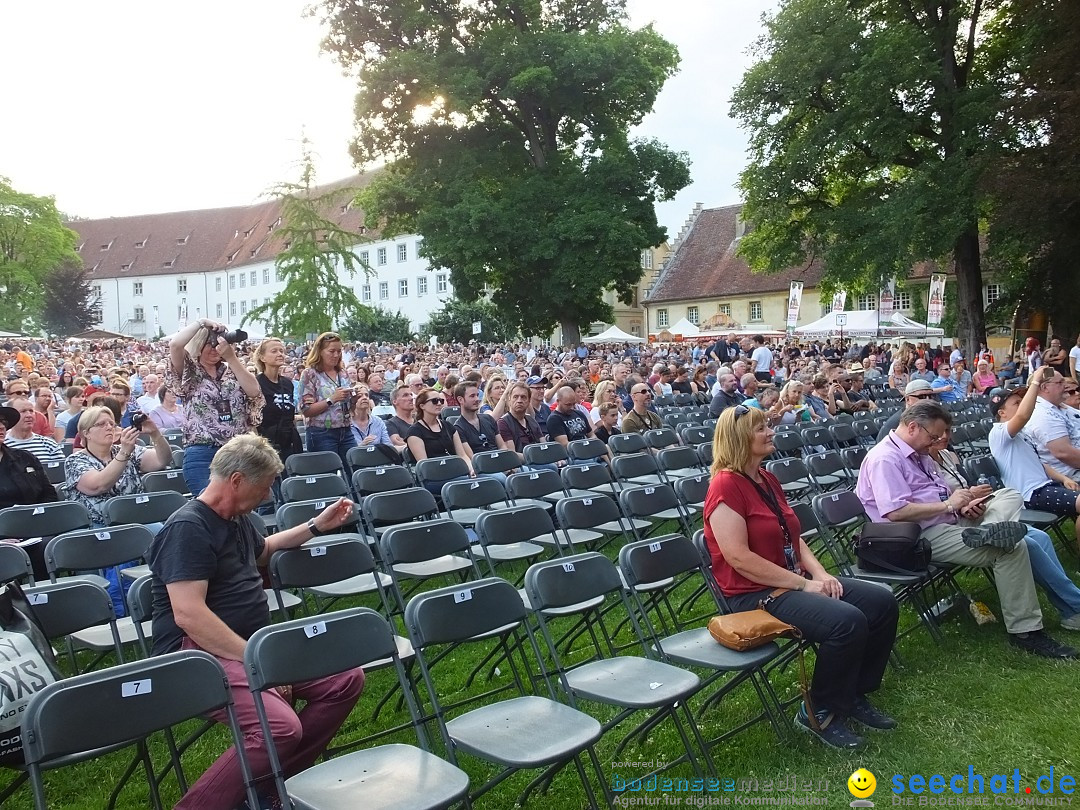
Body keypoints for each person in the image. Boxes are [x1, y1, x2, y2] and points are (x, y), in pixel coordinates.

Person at [147, 434, 364, 810]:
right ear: (236, 480)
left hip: (246, 645)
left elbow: (263, 552)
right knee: (278, 728)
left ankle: (264, 790)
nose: (267, 496)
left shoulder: (236, 519)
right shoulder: (187, 529)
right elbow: (189, 615)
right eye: (263, 487)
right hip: (192, 655)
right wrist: (257, 665)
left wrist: (316, 525)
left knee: (344, 679)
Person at [703, 405, 899, 749]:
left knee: (881, 602)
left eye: (768, 424)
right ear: (739, 438)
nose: (770, 431)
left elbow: (792, 535)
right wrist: (805, 584)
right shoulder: (725, 486)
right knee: (847, 621)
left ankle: (851, 695)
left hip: (790, 582)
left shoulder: (767, 478)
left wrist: (820, 573)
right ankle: (817, 710)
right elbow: (739, 557)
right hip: (754, 594)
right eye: (761, 428)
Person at [856, 401, 1076, 658]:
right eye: (933, 436)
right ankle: (1026, 632)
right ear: (913, 427)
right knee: (1012, 548)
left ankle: (991, 530)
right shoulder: (885, 459)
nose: (937, 441)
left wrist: (965, 504)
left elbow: (938, 494)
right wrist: (949, 504)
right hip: (918, 537)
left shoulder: (918, 453)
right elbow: (895, 513)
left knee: (1009, 495)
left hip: (950, 520)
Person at [167, 318, 265, 496]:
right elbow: (175, 345)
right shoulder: (191, 371)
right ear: (199, 345)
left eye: (219, 344)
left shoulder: (232, 370)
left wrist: (231, 357)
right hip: (203, 452)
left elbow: (254, 391)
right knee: (213, 506)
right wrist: (202, 323)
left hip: (237, 451)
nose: (215, 349)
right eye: (210, 344)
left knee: (240, 506)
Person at [64, 405, 174, 527]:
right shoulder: (74, 460)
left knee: (163, 533)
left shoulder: (126, 450)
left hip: (136, 518)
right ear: (86, 433)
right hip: (96, 526)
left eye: (112, 424)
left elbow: (162, 460)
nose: (109, 427)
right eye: (101, 424)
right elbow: (98, 486)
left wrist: (155, 434)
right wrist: (124, 453)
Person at [299, 332, 357, 470]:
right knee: (328, 473)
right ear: (320, 352)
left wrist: (354, 398)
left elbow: (349, 406)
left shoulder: (343, 373)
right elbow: (306, 410)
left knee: (354, 469)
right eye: (331, 351)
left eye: (338, 351)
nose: (336, 355)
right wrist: (332, 399)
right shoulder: (310, 374)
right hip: (321, 432)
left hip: (346, 430)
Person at [406, 387, 473, 485]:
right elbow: (425, 465)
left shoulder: (448, 426)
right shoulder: (414, 432)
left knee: (487, 481)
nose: (439, 403)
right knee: (467, 484)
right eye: (434, 401)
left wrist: (470, 469)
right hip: (433, 478)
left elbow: (462, 455)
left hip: (456, 473)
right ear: (422, 406)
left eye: (441, 401)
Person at [1023, 371, 1080, 483]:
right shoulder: (1043, 415)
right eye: (1060, 382)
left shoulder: (1061, 407)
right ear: (1045, 388)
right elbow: (1064, 453)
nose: (1065, 385)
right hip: (1072, 476)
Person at [253, 338, 303, 466]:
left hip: (289, 440)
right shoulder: (256, 383)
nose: (280, 354)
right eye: (274, 351)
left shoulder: (287, 383)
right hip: (267, 443)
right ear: (262, 357)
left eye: (282, 351)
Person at [0, 404, 57, 512]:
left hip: (34, 524)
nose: (2, 426)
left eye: (3, 421)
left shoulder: (26, 458)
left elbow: (49, 494)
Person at [3, 397, 65, 466]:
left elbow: (61, 471)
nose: (29, 415)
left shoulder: (49, 444)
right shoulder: (3, 445)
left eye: (31, 411)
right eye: (23, 411)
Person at [498, 382, 544, 456]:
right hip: (523, 464)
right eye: (515, 397)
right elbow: (512, 454)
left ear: (529, 401)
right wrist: (536, 458)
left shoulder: (531, 420)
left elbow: (544, 445)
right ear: (509, 399)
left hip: (539, 460)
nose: (519, 401)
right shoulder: (503, 423)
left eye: (523, 397)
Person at [349, 385, 394, 452]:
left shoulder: (378, 421)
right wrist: (362, 445)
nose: (364, 398)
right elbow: (348, 452)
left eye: (366, 395)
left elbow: (388, 446)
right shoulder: (347, 424)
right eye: (359, 396)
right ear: (352, 401)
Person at [384, 386, 417, 451]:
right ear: (395, 401)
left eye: (411, 395)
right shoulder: (390, 424)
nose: (411, 398)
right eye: (405, 395)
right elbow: (398, 443)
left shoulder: (420, 420)